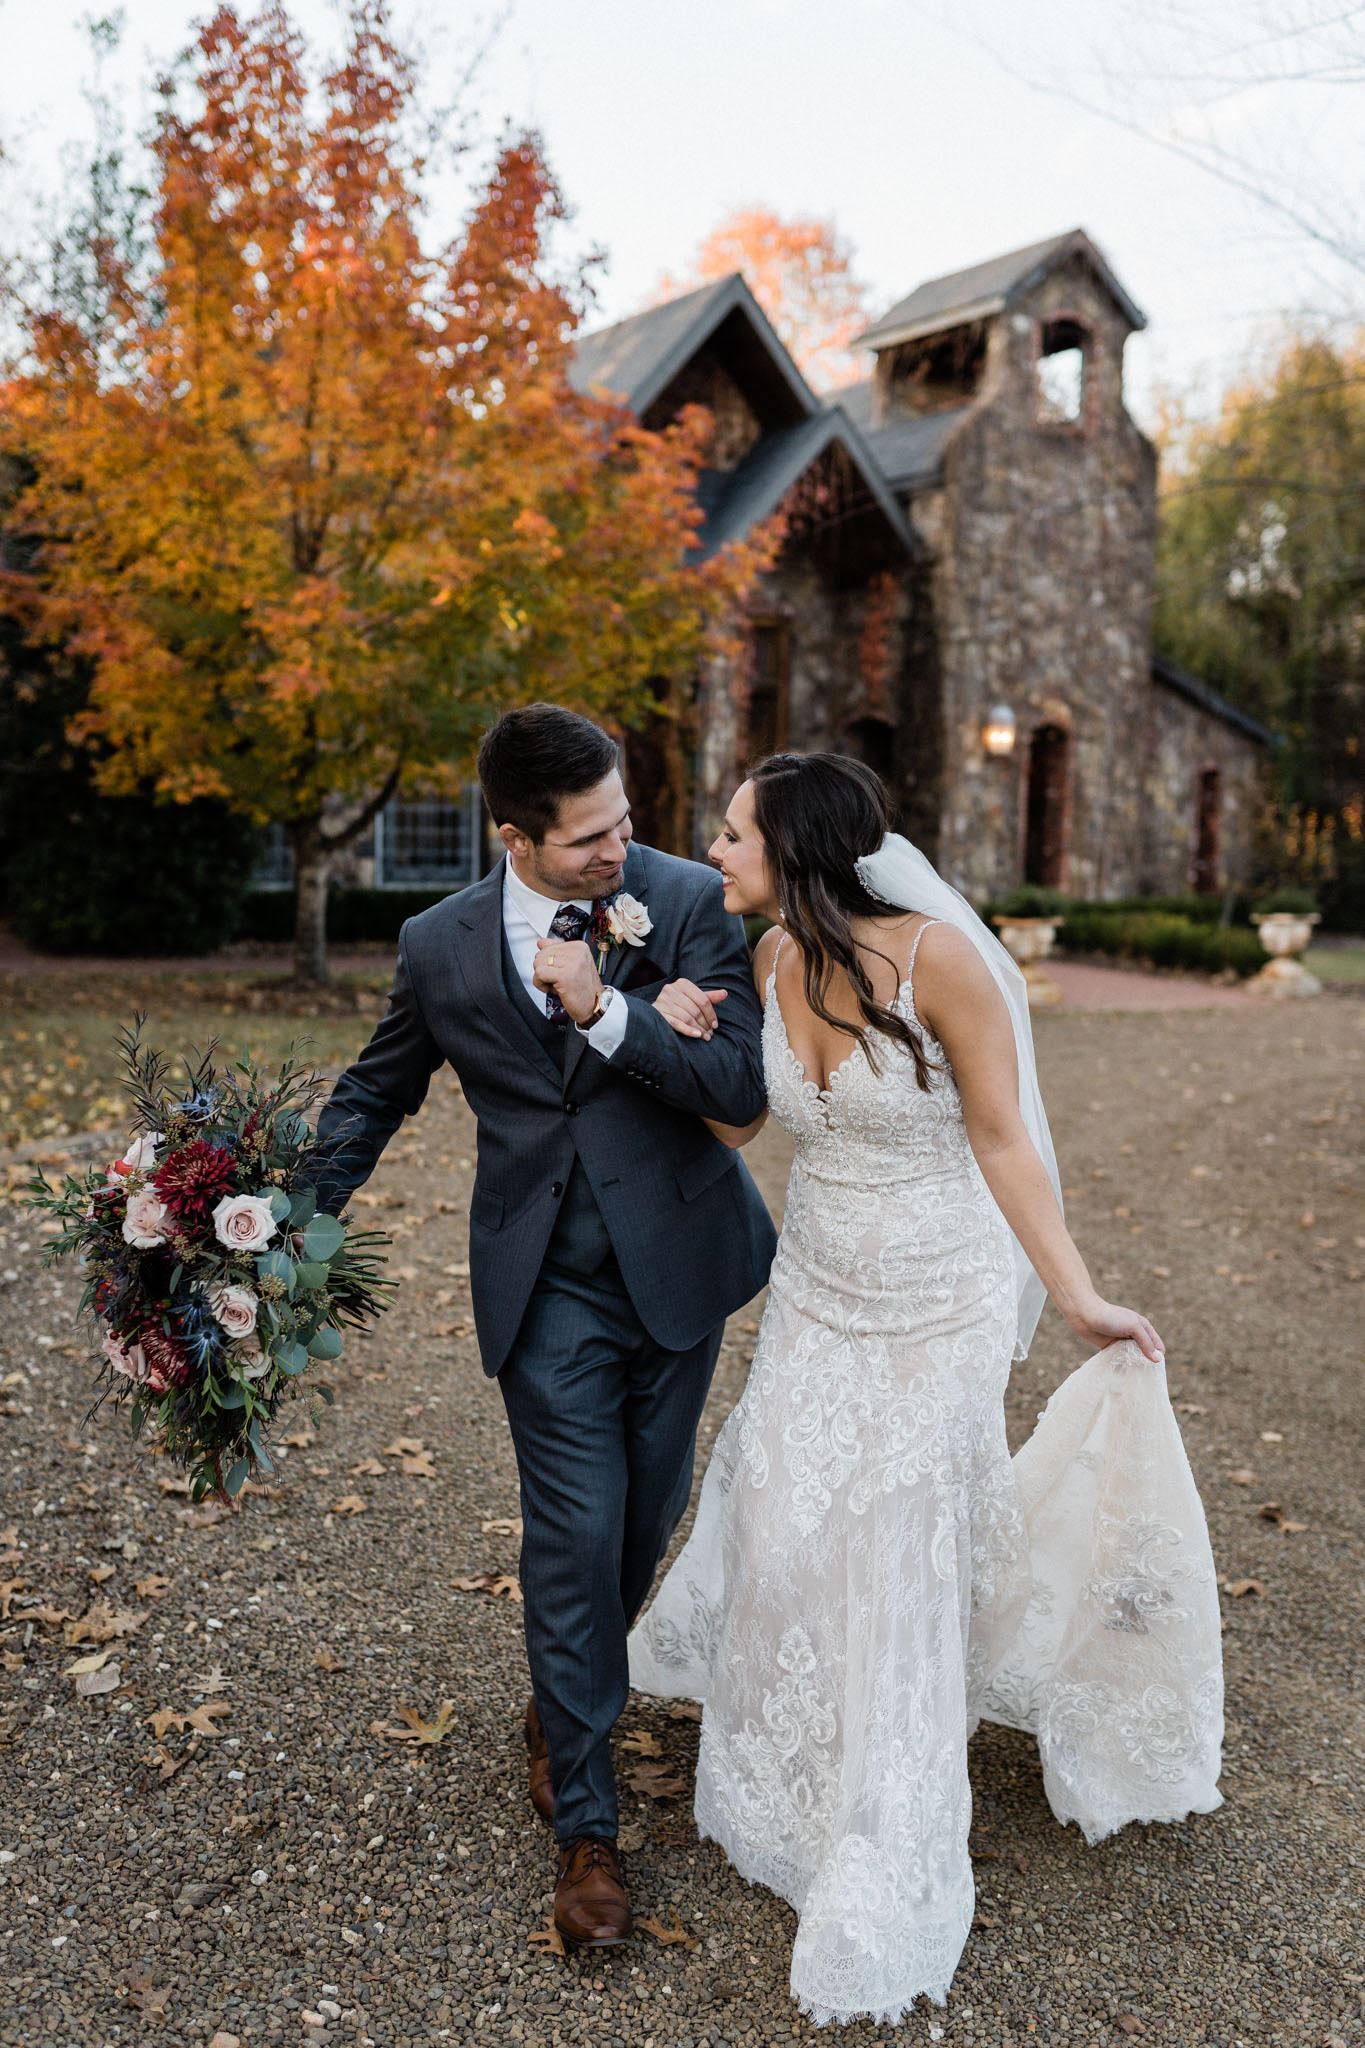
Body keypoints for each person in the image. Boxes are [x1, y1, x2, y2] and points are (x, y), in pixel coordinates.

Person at [628, 751, 1224, 2027]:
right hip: (819, 1289)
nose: (712, 848)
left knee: (897, 1534)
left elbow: (1004, 1136)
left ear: (794, 848)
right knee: (787, 1511)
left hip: (939, 1296)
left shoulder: (940, 959)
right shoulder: (775, 963)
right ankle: (783, 1780)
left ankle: (884, 1822)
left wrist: (1077, 1296)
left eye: (731, 832)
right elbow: (746, 1124)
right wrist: (676, 1032)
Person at [310, 704, 777, 1948]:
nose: (620, 848)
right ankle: (589, 1827)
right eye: (588, 839)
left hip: (677, 1268)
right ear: (514, 836)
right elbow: (375, 1089)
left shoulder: (683, 901)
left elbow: (740, 1085)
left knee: (639, 1527)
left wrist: (605, 1012)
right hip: (544, 1285)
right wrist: (282, 1222)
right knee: (573, 1537)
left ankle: (561, 1699)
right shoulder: (438, 943)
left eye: (625, 818)